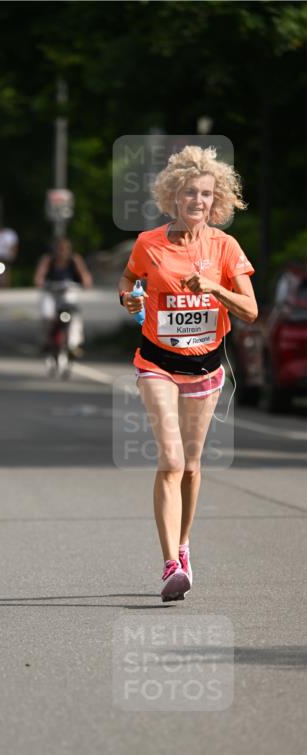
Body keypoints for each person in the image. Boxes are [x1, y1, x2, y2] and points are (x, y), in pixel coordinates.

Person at [119, 145, 257, 601]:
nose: (197, 201)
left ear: (215, 201)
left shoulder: (225, 247)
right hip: (157, 361)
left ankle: (183, 545)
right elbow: (128, 281)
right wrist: (131, 299)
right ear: (173, 196)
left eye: (205, 194)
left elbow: (252, 311)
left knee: (193, 468)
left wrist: (215, 287)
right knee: (171, 461)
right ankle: (169, 564)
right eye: (189, 193)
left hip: (206, 365)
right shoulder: (148, 243)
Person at [34, 236, 93, 356]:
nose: (62, 252)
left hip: (68, 291)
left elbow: (85, 276)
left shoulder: (75, 260)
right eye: (60, 248)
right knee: (47, 315)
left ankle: (73, 345)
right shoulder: (48, 260)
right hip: (50, 291)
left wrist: (85, 283)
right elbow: (39, 277)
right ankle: (46, 341)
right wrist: (41, 283)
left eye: (65, 249)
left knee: (74, 315)